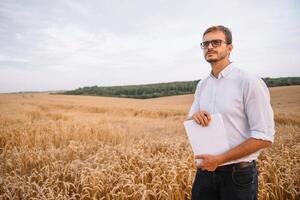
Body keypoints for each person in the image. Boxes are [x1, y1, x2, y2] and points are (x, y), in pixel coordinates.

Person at [187, 25, 275, 200]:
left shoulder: (248, 81)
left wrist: (220, 159)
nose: (210, 47)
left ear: (229, 48)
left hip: (238, 175)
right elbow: (190, 120)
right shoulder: (202, 85)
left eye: (216, 42)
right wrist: (194, 117)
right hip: (205, 173)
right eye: (205, 44)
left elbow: (264, 137)